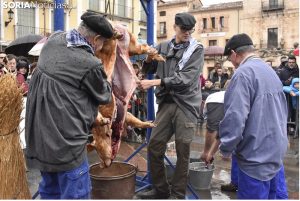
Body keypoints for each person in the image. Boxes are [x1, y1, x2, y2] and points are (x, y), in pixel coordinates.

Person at [25, 11, 113, 199]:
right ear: (96, 39)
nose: (100, 48)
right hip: (66, 147)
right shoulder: (89, 64)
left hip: (40, 143)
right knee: (76, 194)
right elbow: (105, 94)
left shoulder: (54, 40)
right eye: (102, 43)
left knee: (49, 193)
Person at [205, 33, 288, 199]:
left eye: (231, 59)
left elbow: (235, 117)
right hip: (276, 151)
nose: (233, 64)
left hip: (255, 157)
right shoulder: (270, 71)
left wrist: (225, 148)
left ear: (235, 53)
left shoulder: (243, 73)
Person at [136, 12, 204, 199]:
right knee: (154, 146)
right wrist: (149, 58)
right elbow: (147, 70)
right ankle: (161, 190)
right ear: (175, 27)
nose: (187, 33)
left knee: (183, 152)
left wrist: (154, 83)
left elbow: (186, 79)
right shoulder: (163, 46)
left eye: (190, 30)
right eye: (183, 29)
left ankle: (178, 194)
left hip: (186, 105)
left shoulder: (196, 49)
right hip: (167, 103)